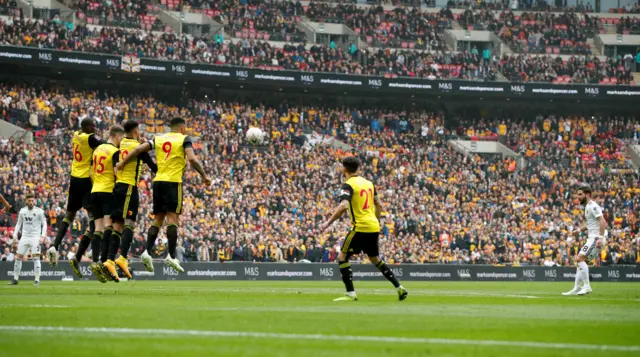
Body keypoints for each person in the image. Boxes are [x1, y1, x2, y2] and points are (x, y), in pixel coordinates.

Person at [115, 117, 211, 273]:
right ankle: (171, 256)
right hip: (173, 182)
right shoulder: (183, 138)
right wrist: (204, 176)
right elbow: (192, 158)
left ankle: (146, 252)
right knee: (173, 219)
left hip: (158, 182)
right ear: (182, 128)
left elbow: (139, 150)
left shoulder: (159, 138)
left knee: (158, 219)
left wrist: (122, 162)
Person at [320, 156, 408, 301]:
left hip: (360, 227)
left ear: (345, 169)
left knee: (342, 258)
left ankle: (350, 293)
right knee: (374, 259)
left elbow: (343, 206)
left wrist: (327, 223)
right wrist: (376, 220)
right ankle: (399, 288)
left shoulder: (348, 185)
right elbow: (379, 204)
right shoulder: (369, 183)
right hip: (373, 226)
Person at [48, 118, 102, 268]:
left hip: (74, 178)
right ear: (86, 126)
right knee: (94, 217)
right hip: (85, 180)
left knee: (69, 214)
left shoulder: (75, 135)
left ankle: (55, 246)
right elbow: (103, 145)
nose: (95, 128)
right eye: (92, 126)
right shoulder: (88, 137)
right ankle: (93, 255)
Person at [107, 120, 156, 280]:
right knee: (130, 223)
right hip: (129, 188)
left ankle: (109, 260)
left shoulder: (119, 145)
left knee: (117, 225)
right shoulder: (137, 147)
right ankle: (122, 258)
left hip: (117, 187)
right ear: (136, 131)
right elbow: (153, 166)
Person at [90, 125, 125, 282]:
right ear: (117, 137)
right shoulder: (114, 151)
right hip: (107, 191)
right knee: (109, 227)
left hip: (94, 190)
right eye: (121, 139)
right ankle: (104, 262)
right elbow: (117, 172)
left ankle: (95, 261)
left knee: (98, 228)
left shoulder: (97, 149)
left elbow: (91, 172)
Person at [563, 183, 609, 296]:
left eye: (580, 194)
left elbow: (603, 221)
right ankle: (577, 288)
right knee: (580, 261)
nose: (578, 197)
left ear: (587, 194)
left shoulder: (593, 206)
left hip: (596, 238)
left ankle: (587, 287)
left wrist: (600, 237)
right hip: (593, 238)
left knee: (580, 259)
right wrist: (579, 230)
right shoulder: (587, 207)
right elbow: (590, 223)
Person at [9, 194, 47, 286]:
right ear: (26, 201)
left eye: (32, 201)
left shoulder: (39, 211)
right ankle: (15, 279)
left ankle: (37, 279)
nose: (31, 202)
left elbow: (44, 224)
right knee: (18, 258)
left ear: (34, 201)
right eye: (29, 201)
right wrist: (15, 235)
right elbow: (18, 224)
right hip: (24, 237)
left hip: (35, 238)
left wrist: (42, 236)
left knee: (36, 258)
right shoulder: (22, 211)